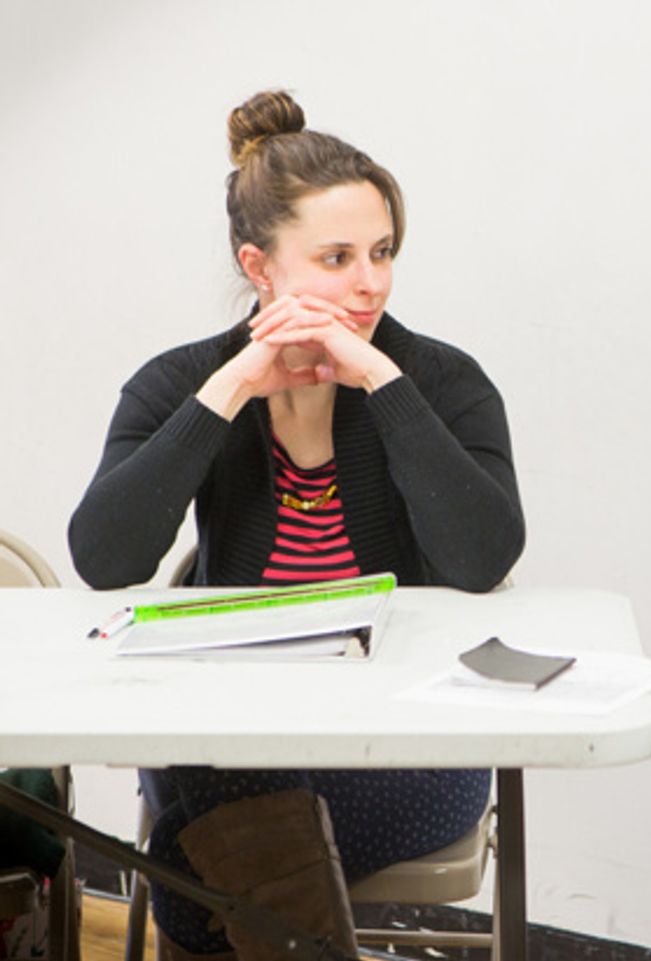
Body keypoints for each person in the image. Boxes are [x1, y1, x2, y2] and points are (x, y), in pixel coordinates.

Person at [69, 90, 525, 959]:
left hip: (404, 749)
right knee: (233, 792)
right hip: (223, 733)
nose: (372, 282)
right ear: (260, 266)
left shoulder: (440, 381)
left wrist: (382, 384)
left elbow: (482, 557)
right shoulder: (182, 384)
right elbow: (104, 555)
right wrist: (233, 387)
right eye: (338, 257)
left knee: (191, 862)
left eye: (383, 252)